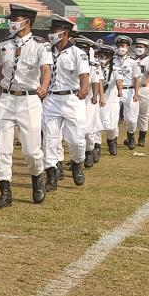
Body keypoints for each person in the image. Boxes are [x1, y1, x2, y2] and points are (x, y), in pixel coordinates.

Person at [0, 4, 52, 209]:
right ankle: (5, 192)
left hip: (29, 100)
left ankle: (37, 177)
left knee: (32, 151)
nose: (12, 23)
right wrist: (2, 89)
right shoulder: (2, 45)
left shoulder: (40, 45)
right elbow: (0, 70)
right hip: (7, 99)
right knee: (2, 149)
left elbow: (45, 69)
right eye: (12, 19)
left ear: (27, 22)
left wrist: (43, 86)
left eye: (16, 20)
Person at [41, 16, 89, 191]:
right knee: (50, 139)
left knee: (76, 140)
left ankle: (77, 162)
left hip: (71, 99)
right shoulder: (46, 52)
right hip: (51, 99)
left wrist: (84, 89)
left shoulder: (78, 53)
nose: (51, 35)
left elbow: (84, 74)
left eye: (54, 32)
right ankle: (51, 174)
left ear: (65, 33)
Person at [75, 36, 103, 168]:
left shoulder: (93, 65)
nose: (81, 51)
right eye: (79, 48)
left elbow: (96, 81)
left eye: (84, 49)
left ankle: (89, 151)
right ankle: (77, 158)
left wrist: (95, 97)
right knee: (74, 130)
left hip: (88, 99)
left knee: (87, 128)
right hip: (72, 98)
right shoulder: (71, 60)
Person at [109, 35, 140, 153]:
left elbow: (136, 79)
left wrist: (136, 93)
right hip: (114, 91)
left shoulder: (133, 62)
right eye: (119, 46)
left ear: (128, 47)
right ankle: (113, 140)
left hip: (130, 90)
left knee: (131, 118)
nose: (121, 48)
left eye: (123, 46)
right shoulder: (112, 61)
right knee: (114, 117)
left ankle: (130, 136)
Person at [92, 44, 116, 161]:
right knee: (95, 121)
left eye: (103, 56)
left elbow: (119, 80)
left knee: (108, 123)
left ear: (109, 58)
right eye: (99, 56)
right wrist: (100, 96)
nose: (100, 58)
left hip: (110, 98)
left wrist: (120, 90)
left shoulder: (115, 69)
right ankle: (97, 146)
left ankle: (111, 140)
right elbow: (98, 82)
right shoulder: (94, 66)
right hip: (95, 97)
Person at [131, 38, 149, 147]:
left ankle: (142, 137)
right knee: (131, 114)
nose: (138, 49)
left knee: (143, 113)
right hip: (132, 89)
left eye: (141, 47)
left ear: (146, 48)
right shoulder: (131, 60)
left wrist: (146, 81)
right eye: (137, 46)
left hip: (144, 89)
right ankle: (130, 137)